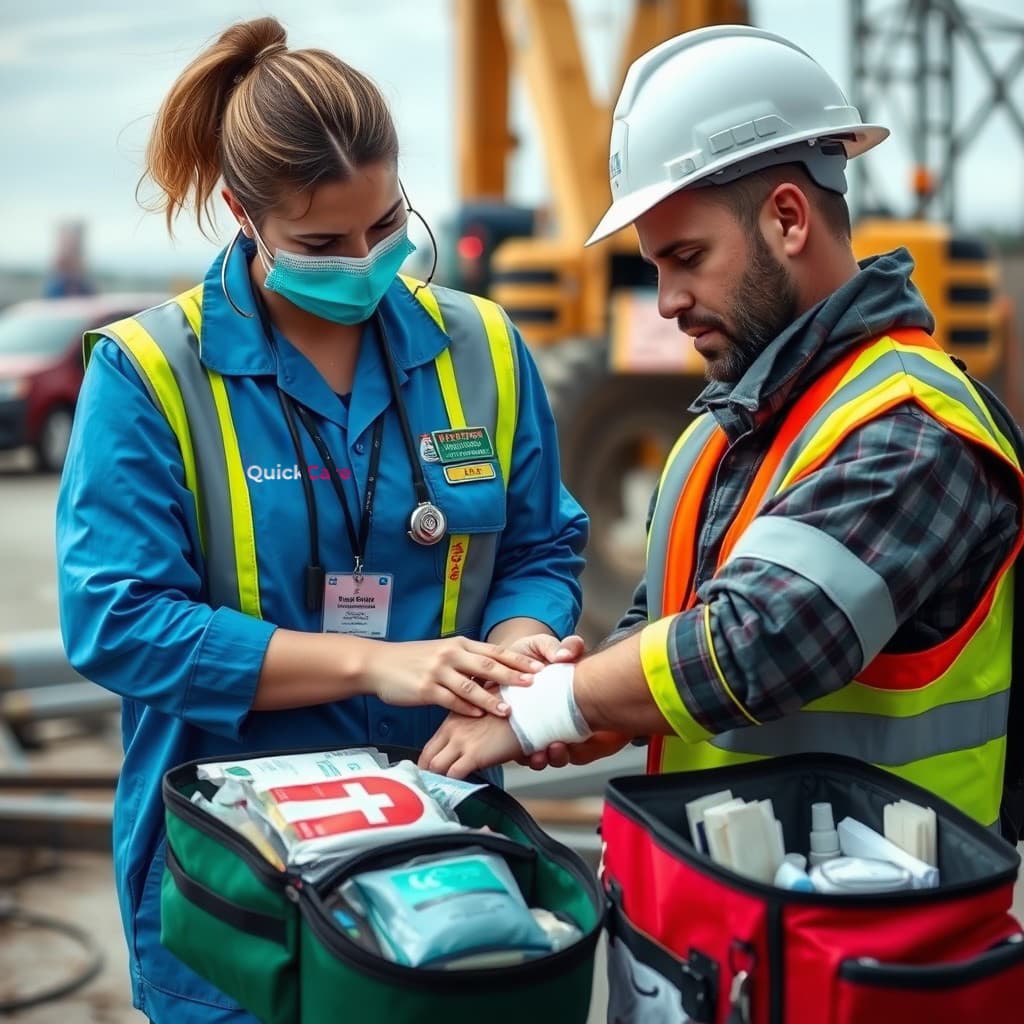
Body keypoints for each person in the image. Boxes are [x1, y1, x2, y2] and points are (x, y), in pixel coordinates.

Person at [55, 17, 587, 1023]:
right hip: (241, 885)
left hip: (444, 856)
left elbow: (537, 543)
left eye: (385, 227)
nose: (363, 261)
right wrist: (377, 663)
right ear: (240, 214)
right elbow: (114, 618)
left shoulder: (479, 348)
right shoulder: (149, 375)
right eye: (320, 243)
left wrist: (517, 654)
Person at [419, 26, 1024, 837]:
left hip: (877, 929)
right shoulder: (723, 427)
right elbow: (667, 619)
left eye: (688, 257)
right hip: (730, 920)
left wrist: (551, 706)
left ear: (787, 219)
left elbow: (756, 640)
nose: (666, 302)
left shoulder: (913, 429)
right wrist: (593, 702)